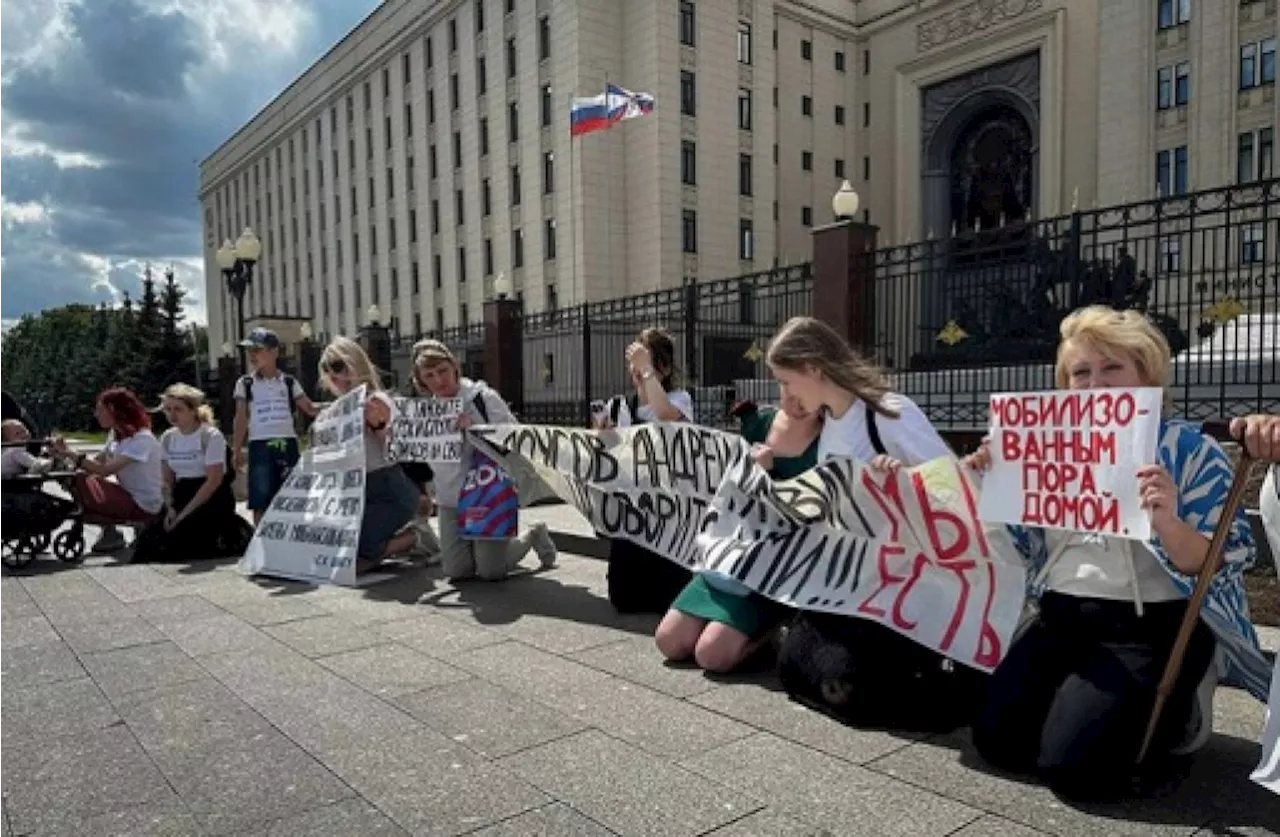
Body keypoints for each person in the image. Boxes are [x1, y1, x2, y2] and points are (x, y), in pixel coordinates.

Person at [964, 305, 1269, 801]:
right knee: (999, 744)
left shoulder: (1190, 450)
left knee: (1075, 774)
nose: (1094, 384)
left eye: (1112, 368)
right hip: (1060, 616)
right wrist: (989, 483)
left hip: (1148, 624)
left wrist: (1166, 519)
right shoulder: (1045, 447)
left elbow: (1215, 562)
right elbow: (1017, 549)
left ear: (1147, 375)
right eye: (1080, 372)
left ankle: (1182, 705)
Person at [764, 316, 982, 732]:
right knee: (793, 665)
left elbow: (954, 487)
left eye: (787, 381)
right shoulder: (828, 422)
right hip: (856, 581)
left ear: (813, 368)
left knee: (841, 686)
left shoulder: (888, 413)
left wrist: (902, 484)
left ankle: (937, 686)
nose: (785, 393)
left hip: (905, 583)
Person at [656, 396, 820, 672]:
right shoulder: (762, 422)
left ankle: (768, 636)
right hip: (728, 557)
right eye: (785, 382)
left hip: (768, 572)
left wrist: (770, 479)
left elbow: (814, 514)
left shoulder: (830, 441)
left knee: (711, 656)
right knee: (669, 642)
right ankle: (730, 628)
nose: (793, 396)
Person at [411, 339, 555, 581]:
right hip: (450, 499)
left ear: (454, 366)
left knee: (490, 571)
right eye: (430, 375)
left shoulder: (482, 397)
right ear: (422, 382)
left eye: (443, 371)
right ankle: (478, 547)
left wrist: (475, 428)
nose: (438, 380)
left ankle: (533, 533)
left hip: (488, 492)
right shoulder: (427, 414)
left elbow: (514, 437)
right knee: (457, 571)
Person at [592, 327, 698, 613]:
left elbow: (664, 416)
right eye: (634, 365)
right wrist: (605, 439)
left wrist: (647, 371)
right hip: (632, 511)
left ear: (662, 368)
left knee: (669, 598)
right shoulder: (619, 406)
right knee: (624, 599)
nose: (637, 371)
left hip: (668, 510)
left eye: (645, 364)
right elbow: (609, 457)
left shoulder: (679, 400)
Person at [317, 337, 420, 573]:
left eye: (338, 366)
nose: (333, 375)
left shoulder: (376, 400)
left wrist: (379, 426)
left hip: (387, 486)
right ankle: (387, 544)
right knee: (336, 550)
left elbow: (400, 450)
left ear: (354, 363)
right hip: (354, 491)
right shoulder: (333, 412)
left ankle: (413, 538)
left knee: (357, 554)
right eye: (327, 369)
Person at [52, 387, 165, 553]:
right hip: (129, 496)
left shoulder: (142, 439)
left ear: (113, 410)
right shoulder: (115, 434)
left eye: (99, 409)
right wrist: (64, 456)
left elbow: (104, 470)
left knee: (83, 479)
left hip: (145, 502)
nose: (96, 414)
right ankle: (110, 531)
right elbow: (96, 462)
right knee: (80, 478)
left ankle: (118, 530)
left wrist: (70, 453)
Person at [232, 328, 320, 525]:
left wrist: (341, 405)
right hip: (259, 444)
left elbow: (309, 408)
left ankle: (290, 537)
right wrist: (236, 448)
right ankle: (261, 541)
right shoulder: (245, 383)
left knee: (291, 492)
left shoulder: (288, 382)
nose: (252, 355)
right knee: (260, 497)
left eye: (257, 350)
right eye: (249, 351)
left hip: (286, 442)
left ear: (274, 352)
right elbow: (241, 417)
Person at [151, 384, 240, 560]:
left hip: (210, 495)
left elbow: (213, 480)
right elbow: (167, 479)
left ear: (193, 410)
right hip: (181, 493)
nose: (172, 414)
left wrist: (184, 514)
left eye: (178, 409)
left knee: (191, 538)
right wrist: (170, 507)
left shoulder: (210, 436)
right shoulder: (168, 438)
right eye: (168, 409)